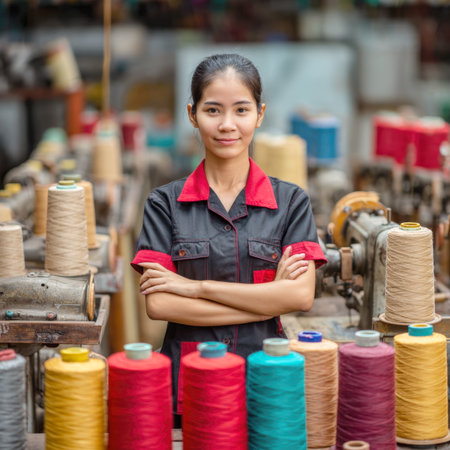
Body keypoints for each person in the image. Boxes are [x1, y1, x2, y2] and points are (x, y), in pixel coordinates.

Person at [131, 53, 327, 421]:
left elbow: (300, 296)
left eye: (241, 110)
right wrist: (269, 300)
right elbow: (159, 306)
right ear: (192, 114)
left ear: (260, 114)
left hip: (264, 380)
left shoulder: (290, 202)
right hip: (188, 387)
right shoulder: (164, 204)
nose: (227, 125)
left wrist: (193, 288)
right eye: (212, 111)